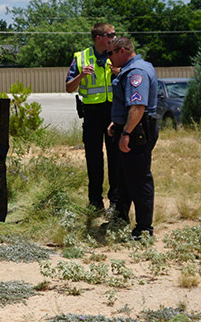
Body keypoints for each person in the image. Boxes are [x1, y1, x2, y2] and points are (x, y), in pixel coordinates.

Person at [105, 35, 160, 240]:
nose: (108, 58)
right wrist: (118, 123)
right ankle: (120, 218)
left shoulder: (136, 72)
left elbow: (138, 106)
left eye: (110, 53)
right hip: (131, 127)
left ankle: (144, 229)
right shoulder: (133, 68)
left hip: (137, 131)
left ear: (122, 51)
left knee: (138, 179)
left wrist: (126, 132)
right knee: (125, 178)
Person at [65, 23, 122, 213]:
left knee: (116, 158)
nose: (114, 38)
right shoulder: (81, 57)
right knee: (94, 158)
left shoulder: (118, 55)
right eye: (110, 35)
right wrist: (81, 76)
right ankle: (95, 202)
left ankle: (115, 201)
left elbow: (131, 78)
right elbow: (68, 87)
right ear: (99, 37)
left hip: (113, 112)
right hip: (92, 113)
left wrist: (119, 73)